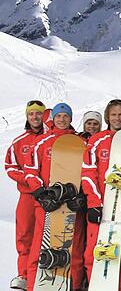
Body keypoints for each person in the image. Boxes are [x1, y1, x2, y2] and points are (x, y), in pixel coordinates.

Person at [23, 103, 88, 291]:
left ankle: (73, 285)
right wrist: (41, 193)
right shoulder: (42, 142)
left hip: (71, 205)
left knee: (73, 247)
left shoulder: (80, 143)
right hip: (48, 203)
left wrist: (82, 195)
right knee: (40, 246)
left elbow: (89, 172)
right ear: (53, 118)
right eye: (58, 116)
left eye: (65, 116)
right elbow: (30, 171)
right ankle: (34, 285)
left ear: (70, 118)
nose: (62, 119)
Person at [81, 99, 121, 291]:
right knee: (93, 252)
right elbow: (88, 172)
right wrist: (94, 201)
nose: (117, 118)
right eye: (113, 114)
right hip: (100, 205)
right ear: (107, 117)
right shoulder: (97, 141)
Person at [6, 100, 46, 290]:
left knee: (43, 237)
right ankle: (23, 274)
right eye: (32, 114)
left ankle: (39, 272)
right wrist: (30, 180)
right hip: (28, 196)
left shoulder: (51, 139)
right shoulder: (19, 142)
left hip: (46, 195)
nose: (35, 117)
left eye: (38, 113)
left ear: (43, 115)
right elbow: (10, 168)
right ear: (27, 116)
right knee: (24, 234)